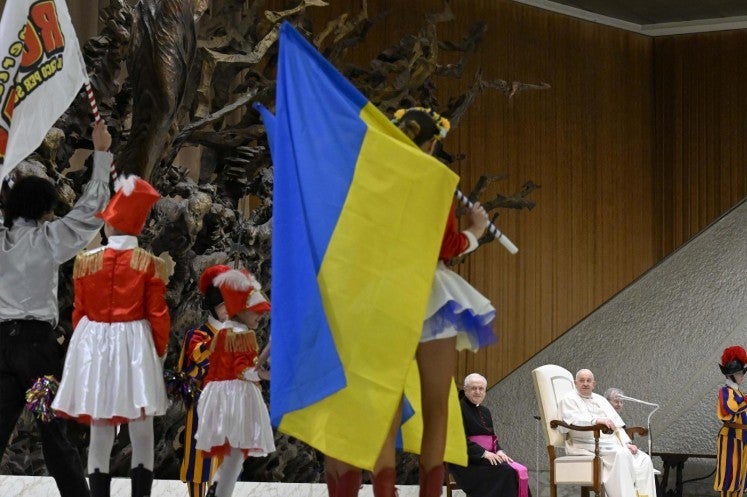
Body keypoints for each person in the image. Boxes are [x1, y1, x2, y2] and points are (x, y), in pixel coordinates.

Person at [324, 107, 494, 497]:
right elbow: (447, 246)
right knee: (438, 406)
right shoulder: (437, 178)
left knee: (383, 399)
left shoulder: (374, 178)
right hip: (430, 295)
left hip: (381, 293)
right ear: (433, 143)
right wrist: (476, 230)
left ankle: (384, 491)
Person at [0, 120, 112, 497]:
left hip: (0, 345)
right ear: (44, 209)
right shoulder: (49, 240)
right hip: (37, 347)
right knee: (53, 432)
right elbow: (91, 211)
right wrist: (101, 153)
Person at [51, 175, 169, 497]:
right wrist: (158, 352)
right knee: (142, 431)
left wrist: (85, 347)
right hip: (135, 347)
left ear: (110, 227)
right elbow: (158, 315)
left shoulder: (86, 263)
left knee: (100, 430)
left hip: (95, 346)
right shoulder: (149, 265)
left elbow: (79, 312)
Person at [192, 265, 275, 497]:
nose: (260, 315)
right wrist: (268, 375)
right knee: (236, 455)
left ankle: (218, 488)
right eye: (255, 310)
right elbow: (246, 371)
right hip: (236, 399)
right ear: (239, 310)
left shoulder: (223, 333)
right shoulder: (243, 335)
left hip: (219, 397)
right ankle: (220, 491)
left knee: (233, 455)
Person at [558, 369, 656, 497]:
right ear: (575, 383)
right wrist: (596, 420)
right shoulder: (569, 399)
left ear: (594, 384)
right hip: (585, 443)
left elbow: (617, 426)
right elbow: (572, 420)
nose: (585, 384)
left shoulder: (600, 399)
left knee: (643, 459)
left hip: (609, 443)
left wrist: (626, 442)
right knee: (621, 455)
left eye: (589, 381)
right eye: (582, 381)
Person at [449, 373, 529, 497]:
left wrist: (499, 451)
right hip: (468, 463)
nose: (477, 391)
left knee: (517, 470)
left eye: (481, 389)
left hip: (486, 460)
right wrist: (484, 453)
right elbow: (456, 440)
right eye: (473, 388)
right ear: (465, 390)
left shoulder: (485, 411)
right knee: (507, 472)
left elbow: (492, 438)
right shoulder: (457, 409)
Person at [603, 386, 658, 497]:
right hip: (611, 451)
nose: (619, 404)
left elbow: (620, 434)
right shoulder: (602, 415)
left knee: (645, 459)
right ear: (607, 402)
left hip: (622, 448)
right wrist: (626, 445)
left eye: (621, 402)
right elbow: (606, 437)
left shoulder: (616, 417)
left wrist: (627, 444)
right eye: (616, 401)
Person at [715, 346, 747, 497]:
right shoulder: (725, 392)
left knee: (741, 476)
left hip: (743, 436)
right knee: (730, 476)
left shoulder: (739, 392)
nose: (742, 376)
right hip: (731, 438)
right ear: (732, 375)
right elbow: (730, 409)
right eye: (740, 373)